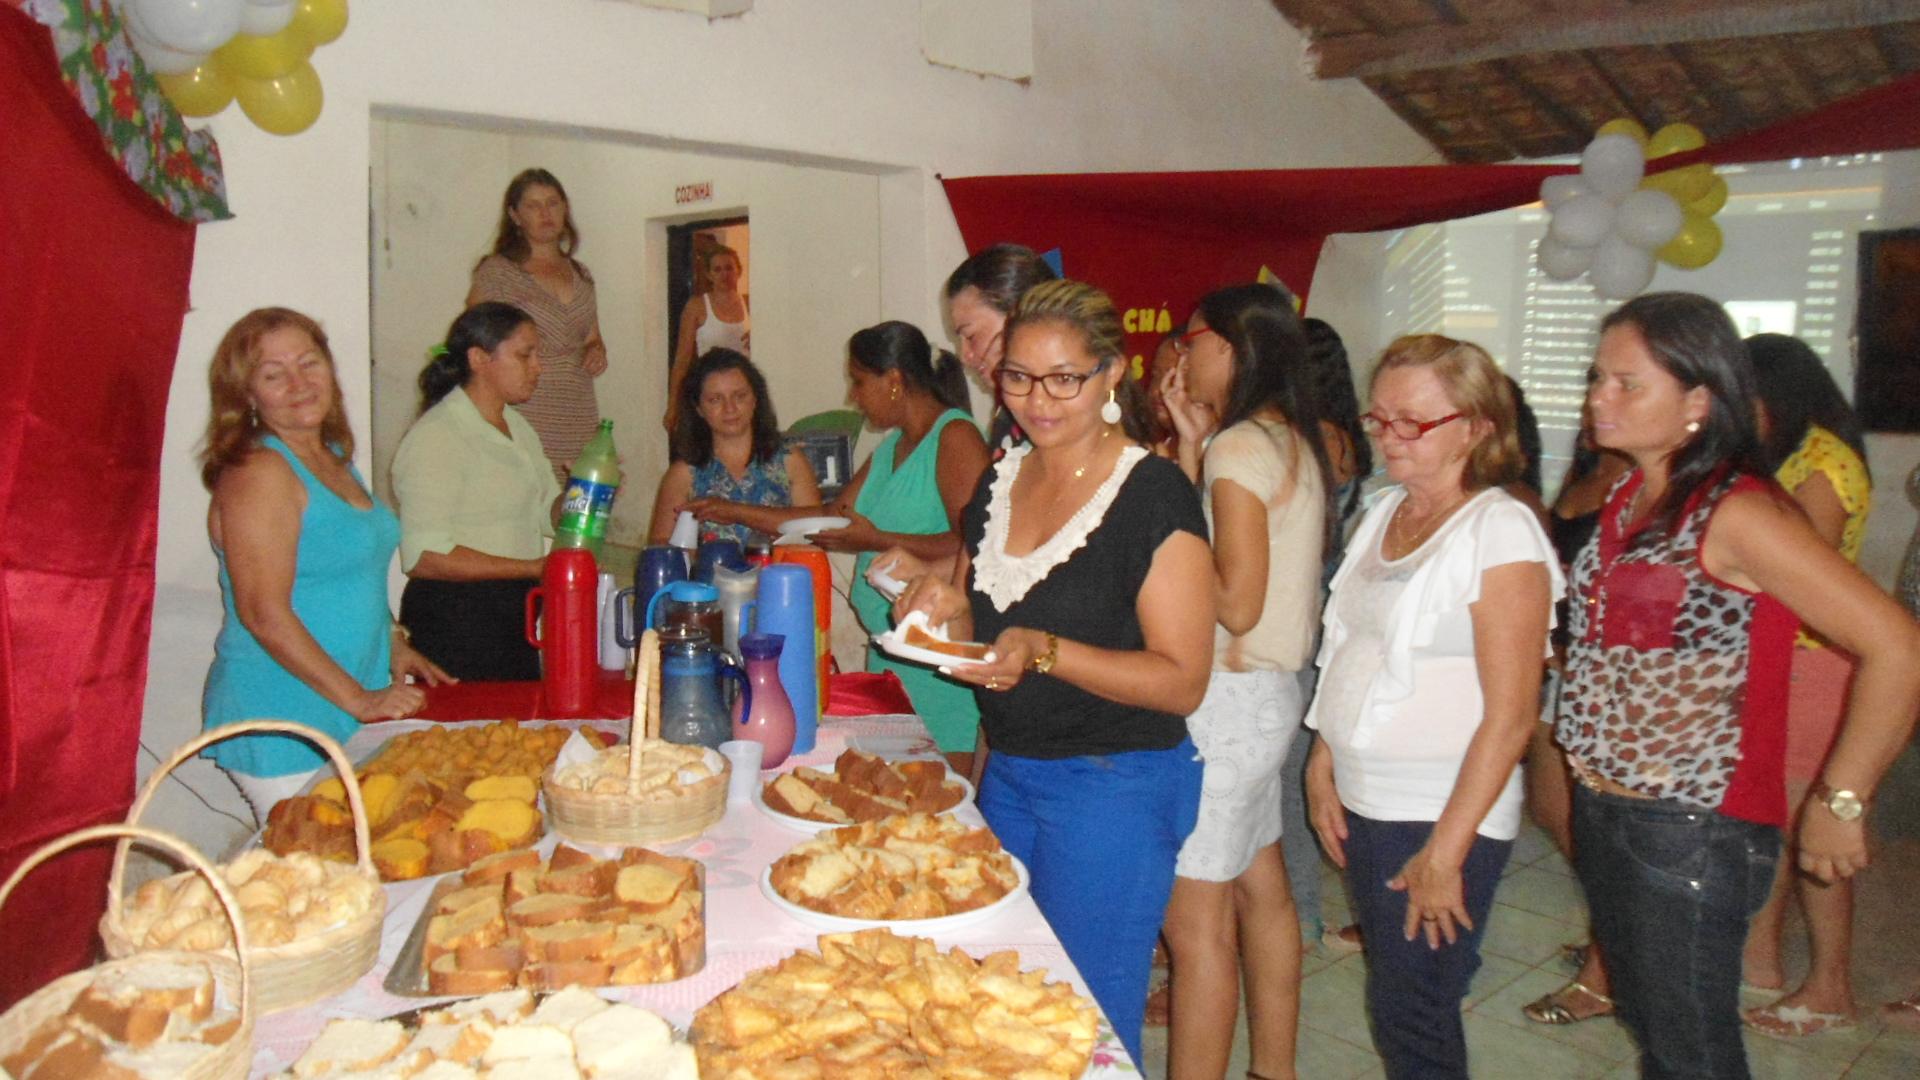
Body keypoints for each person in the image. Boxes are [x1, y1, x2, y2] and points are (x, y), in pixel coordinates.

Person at [1555, 293, 1920, 1079]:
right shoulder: (1633, 492)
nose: (1598, 399)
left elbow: (1898, 645)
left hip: (1691, 823)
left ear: (1698, 400)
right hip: (1608, 802)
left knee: (1692, 1048)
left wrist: (1841, 797)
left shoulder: (1740, 512)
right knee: (1657, 1024)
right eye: (1597, 378)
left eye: (1626, 384)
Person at [890, 279, 1214, 1064]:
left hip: (1116, 784)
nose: (1040, 399)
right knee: (998, 1011)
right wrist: (939, 610)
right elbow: (976, 616)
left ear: (1112, 374)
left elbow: (1183, 680)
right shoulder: (1001, 479)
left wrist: (1046, 652)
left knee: (1081, 1029)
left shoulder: (1152, 493)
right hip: (1012, 775)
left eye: (1065, 377)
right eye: (1019, 377)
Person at [1304, 334, 1560, 1079]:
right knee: (1399, 995)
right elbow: (1351, 644)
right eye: (1380, 418)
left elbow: (1513, 714)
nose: (1389, 437)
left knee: (1415, 1010)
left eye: (1414, 421)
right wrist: (1323, 759)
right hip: (1367, 798)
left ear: (1478, 427)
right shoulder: (1383, 512)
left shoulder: (1499, 529)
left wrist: (1448, 852)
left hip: (1442, 811)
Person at [1157, 284, 1332, 1080]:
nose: (1180, 354)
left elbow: (1234, 598)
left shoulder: (1239, 449)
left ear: (1228, 347)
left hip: (1226, 706)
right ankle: (1275, 1070)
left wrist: (1159, 556)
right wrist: (1193, 451)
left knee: (1196, 928)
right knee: (1262, 888)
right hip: (1267, 698)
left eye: (1190, 338)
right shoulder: (1281, 437)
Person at [199, 308, 448, 819]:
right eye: (274, 374)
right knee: (320, 879)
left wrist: (393, 640)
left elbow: (353, 566)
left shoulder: (332, 456)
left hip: (344, 701)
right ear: (247, 395)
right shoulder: (260, 471)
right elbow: (263, 612)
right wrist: (360, 699)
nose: (298, 383)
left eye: (309, 363)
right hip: (285, 714)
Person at [1739, 332, 1874, 1037]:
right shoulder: (1791, 455)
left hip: (1814, 663)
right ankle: (1761, 960)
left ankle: (1830, 986)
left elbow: (1799, 574)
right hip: (1781, 662)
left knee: (1810, 830)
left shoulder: (1825, 459)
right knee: (1772, 820)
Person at [1520, 410, 1630, 1027]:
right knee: (1552, 810)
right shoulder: (1587, 475)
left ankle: (1605, 973)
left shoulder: (1644, 482)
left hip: (1598, 675)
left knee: (1591, 829)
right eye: (1595, 385)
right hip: (1561, 667)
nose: (1597, 403)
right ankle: (1612, 937)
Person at [392, 303, 561, 682]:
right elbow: (425, 556)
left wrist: (586, 492)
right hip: (457, 616)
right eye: (524, 355)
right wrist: (532, 569)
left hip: (514, 609)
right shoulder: (437, 435)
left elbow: (547, 514)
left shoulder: (518, 428)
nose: (538, 366)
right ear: (479, 359)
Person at [467, 169, 609, 484]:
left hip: (577, 404)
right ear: (515, 215)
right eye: (533, 206)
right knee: (529, 498)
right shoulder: (498, 272)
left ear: (565, 209)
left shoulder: (580, 272)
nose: (545, 213)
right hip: (526, 404)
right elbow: (474, 342)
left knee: (577, 503)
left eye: (553, 203)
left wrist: (596, 350)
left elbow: (592, 337)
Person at [646, 348, 821, 548]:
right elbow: (660, 546)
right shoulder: (684, 473)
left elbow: (814, 529)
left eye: (739, 396)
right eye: (715, 400)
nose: (730, 409)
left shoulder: (789, 460)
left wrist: (733, 511)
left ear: (755, 399)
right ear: (698, 408)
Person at [944, 243, 1058, 453]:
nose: (965, 356)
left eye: (971, 336)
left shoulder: (1069, 415)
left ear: (1017, 318)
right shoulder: (1006, 416)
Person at [666, 245, 751, 433]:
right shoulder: (697, 306)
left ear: (739, 271)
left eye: (729, 268)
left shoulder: (750, 304)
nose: (724, 274)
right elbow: (682, 360)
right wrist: (673, 406)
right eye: (717, 269)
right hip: (711, 389)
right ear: (709, 274)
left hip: (744, 389)